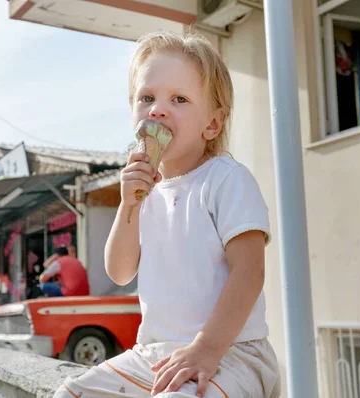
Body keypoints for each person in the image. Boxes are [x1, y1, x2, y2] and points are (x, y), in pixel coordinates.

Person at [54, 31, 281, 398]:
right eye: (147, 97)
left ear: (213, 124)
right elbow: (120, 270)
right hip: (155, 355)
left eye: (179, 99)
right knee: (67, 394)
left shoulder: (226, 179)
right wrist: (129, 204)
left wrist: (206, 348)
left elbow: (250, 271)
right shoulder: (146, 190)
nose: (158, 109)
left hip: (231, 353)